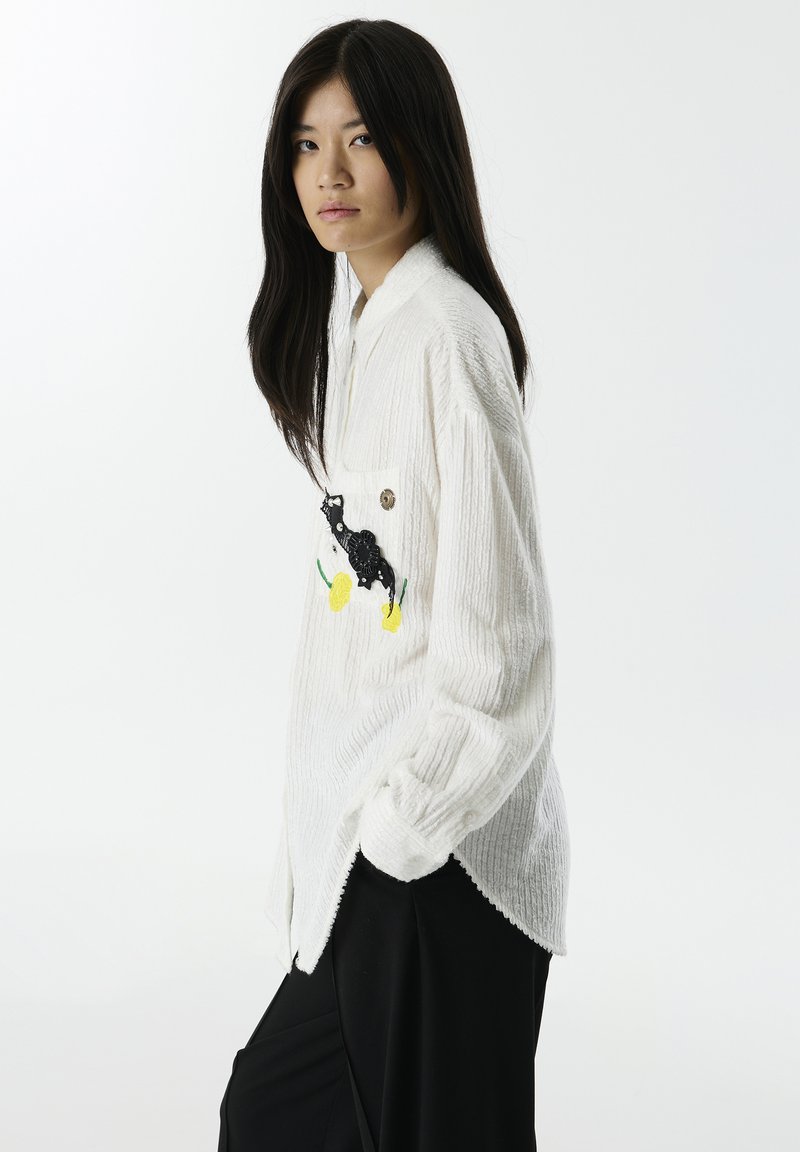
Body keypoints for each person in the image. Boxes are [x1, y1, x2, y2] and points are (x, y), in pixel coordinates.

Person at [218, 17, 570, 1152]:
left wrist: (400, 829)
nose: (328, 172)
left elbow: (502, 648)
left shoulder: (447, 338)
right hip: (374, 865)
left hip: (438, 861)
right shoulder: (362, 324)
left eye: (361, 138)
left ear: (419, 145)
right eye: (305, 143)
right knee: (271, 1114)